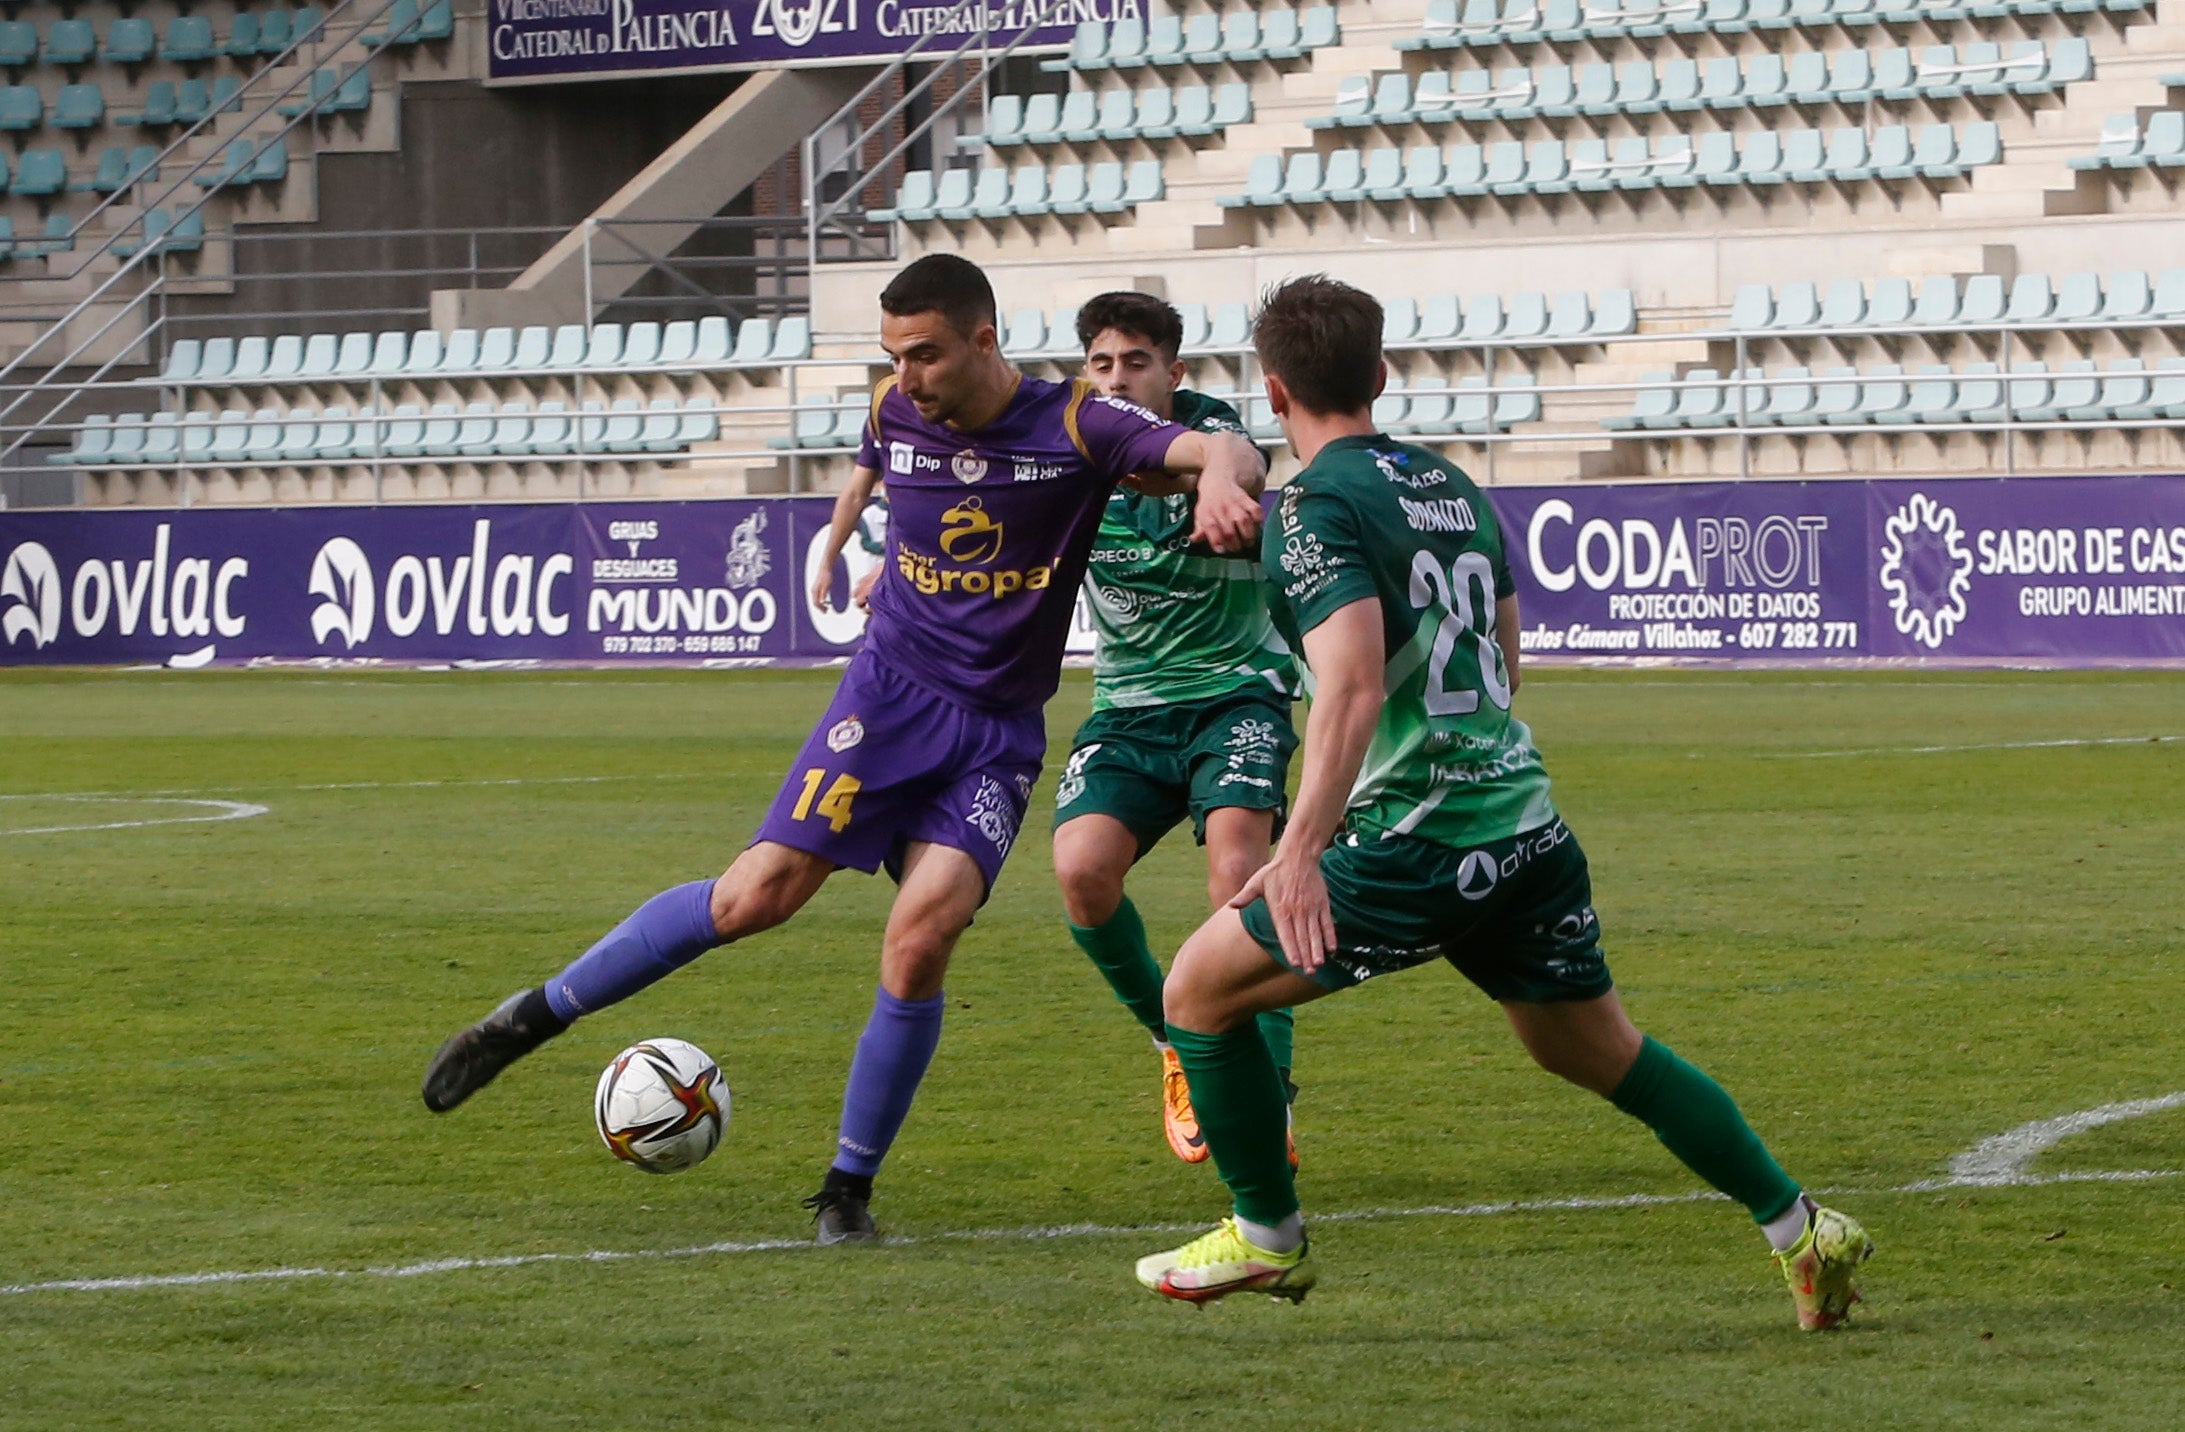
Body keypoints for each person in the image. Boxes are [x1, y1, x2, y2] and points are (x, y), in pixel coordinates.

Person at [422, 253, 1266, 1245]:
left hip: (994, 736)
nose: (905, 379)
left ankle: (845, 1191)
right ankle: (532, 1014)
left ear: (982, 341)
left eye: (924, 356)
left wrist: (1220, 483)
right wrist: (838, 537)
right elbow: (874, 453)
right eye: (893, 357)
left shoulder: (1075, 422)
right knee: (755, 898)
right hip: (888, 699)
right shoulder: (896, 405)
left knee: (922, 934)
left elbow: (1221, 454)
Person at [1132, 275, 1874, 1331]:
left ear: (1274, 387)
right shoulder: (1449, 483)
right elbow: (1506, 664)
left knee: (1196, 991)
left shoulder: (1309, 503)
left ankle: (1266, 1236)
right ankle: (1801, 1226)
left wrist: (1300, 847)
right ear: (1381, 375)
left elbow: (1345, 685)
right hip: (1521, 825)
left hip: (1419, 841)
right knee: (1591, 1047)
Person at [1050, 292, 1301, 1167]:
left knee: (1237, 872)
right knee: (1081, 872)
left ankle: (1267, 1093)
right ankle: (1176, 1045)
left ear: (1174, 373)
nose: (1117, 379)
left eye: (1136, 363)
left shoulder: (1215, 437)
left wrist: (1226, 487)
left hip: (1237, 695)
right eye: (1102, 364)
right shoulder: (1073, 449)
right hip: (1127, 707)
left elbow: (1245, 460)